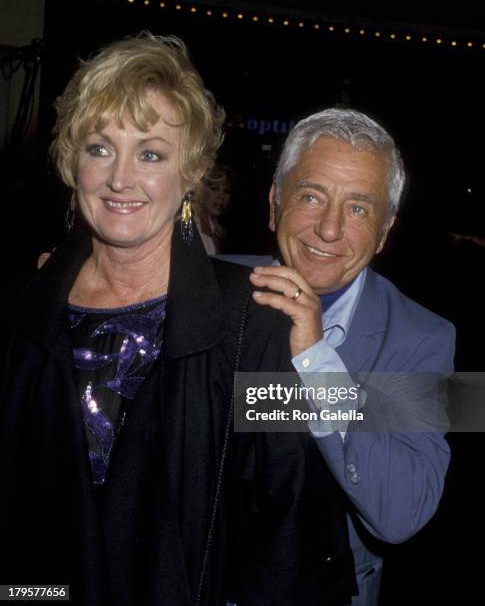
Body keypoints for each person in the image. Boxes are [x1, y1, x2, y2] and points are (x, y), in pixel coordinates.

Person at [0, 38, 356, 605]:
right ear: (72, 163)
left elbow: (292, 528)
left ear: (190, 172)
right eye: (99, 148)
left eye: (150, 154)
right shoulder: (23, 316)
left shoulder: (257, 320)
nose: (120, 179)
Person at [225, 108, 455, 605]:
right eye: (310, 196)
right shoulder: (209, 286)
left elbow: (402, 514)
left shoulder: (424, 339)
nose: (328, 230)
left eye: (357, 208)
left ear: (385, 230)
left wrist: (317, 359)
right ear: (273, 202)